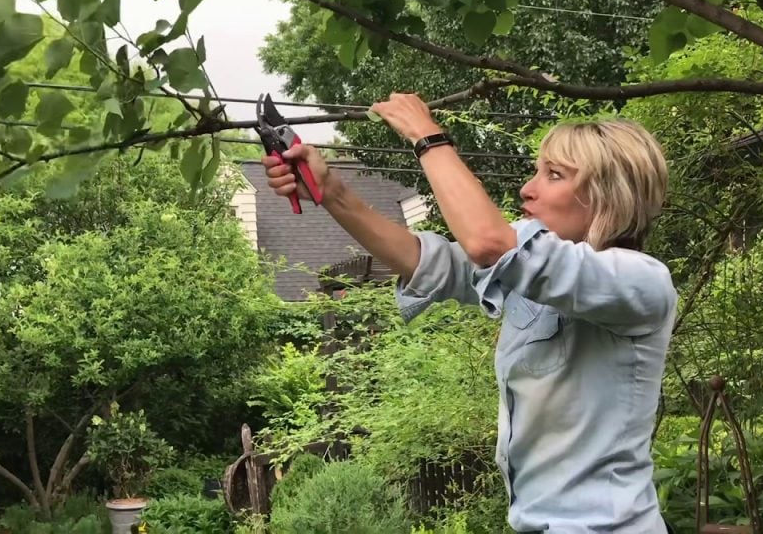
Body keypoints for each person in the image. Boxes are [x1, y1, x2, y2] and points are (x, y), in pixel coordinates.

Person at [261, 93, 677, 533]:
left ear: (606, 197)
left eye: (554, 175)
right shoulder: (534, 279)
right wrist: (332, 192)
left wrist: (428, 138)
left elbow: (487, 243)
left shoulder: (639, 282)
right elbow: (428, 261)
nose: (527, 188)